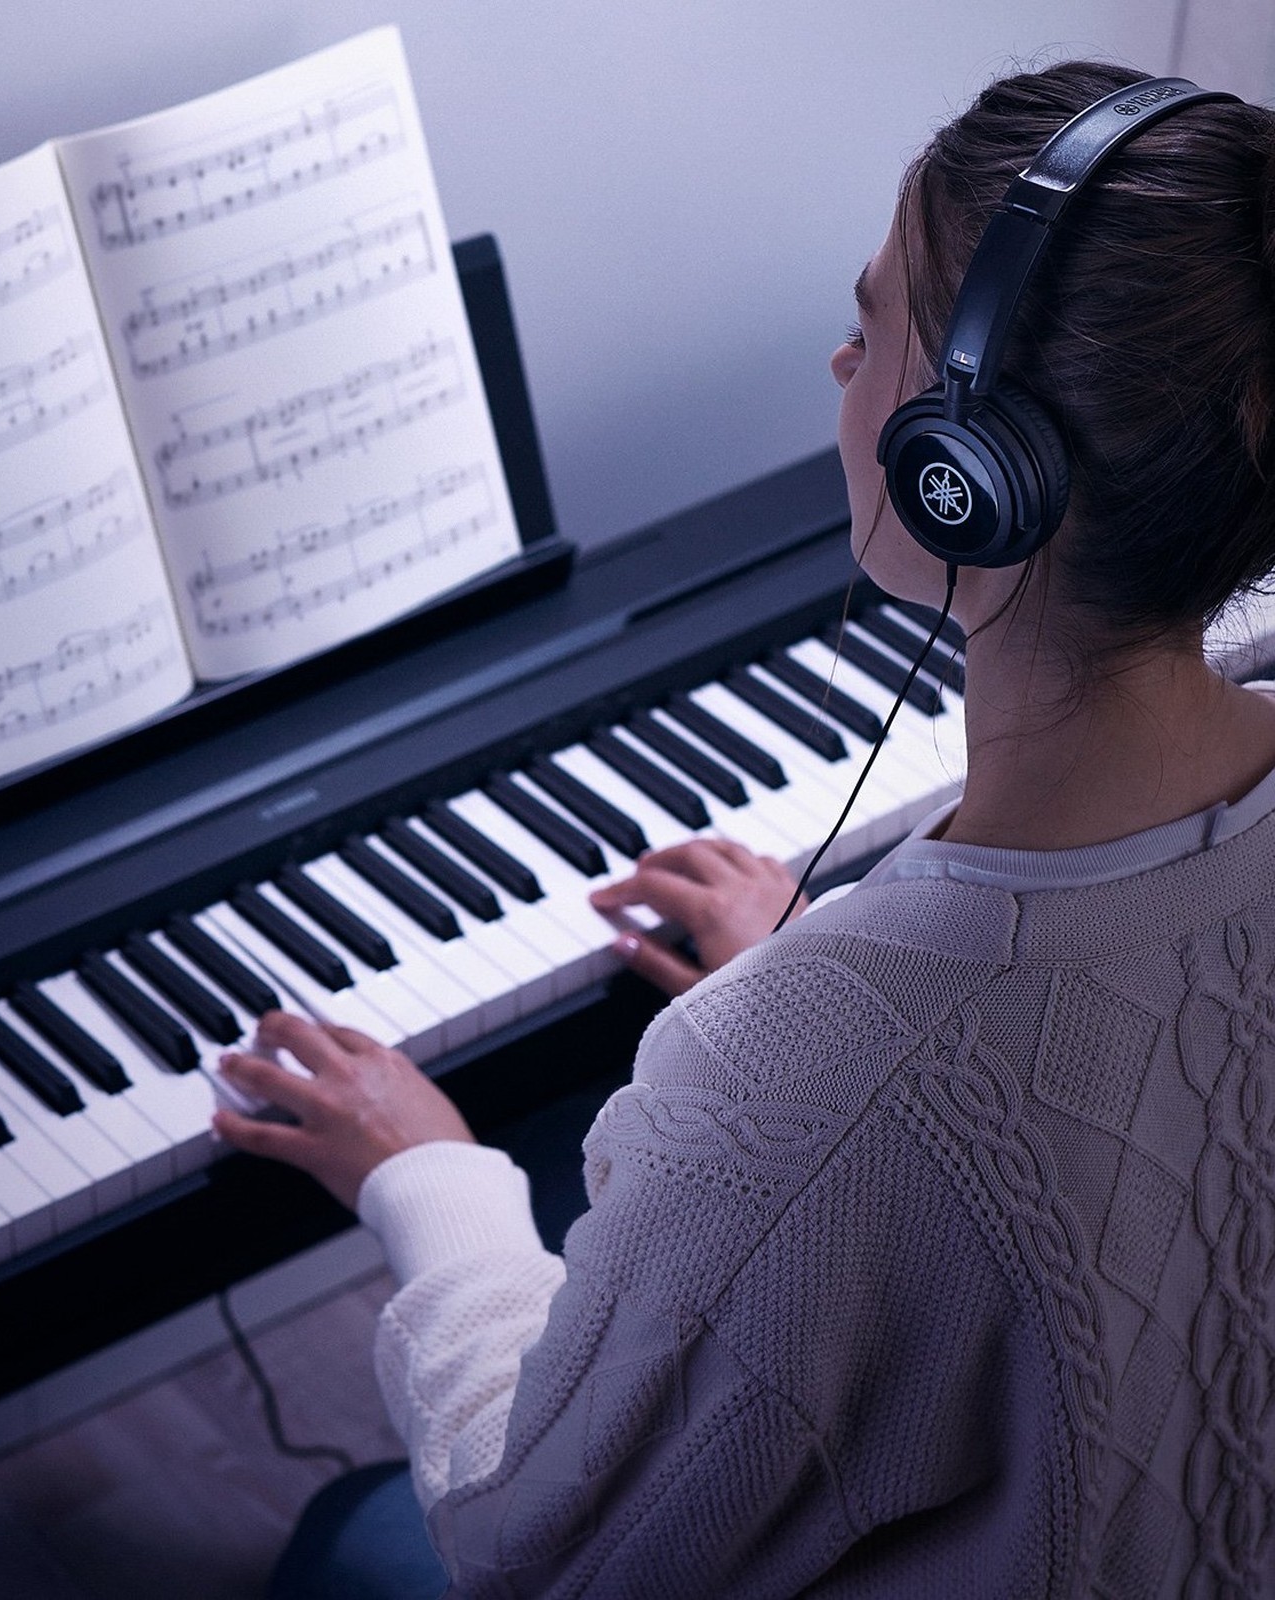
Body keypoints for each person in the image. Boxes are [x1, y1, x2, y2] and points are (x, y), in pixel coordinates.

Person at [216, 59, 1275, 1596]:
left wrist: (428, 1175)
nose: (843, 361)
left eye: (875, 322)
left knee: (349, 1544)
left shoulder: (806, 1065)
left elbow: (535, 1543)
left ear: (968, 475)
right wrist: (809, 987)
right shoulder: (826, 1055)